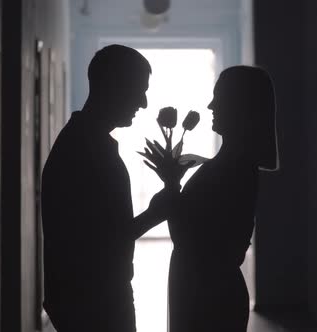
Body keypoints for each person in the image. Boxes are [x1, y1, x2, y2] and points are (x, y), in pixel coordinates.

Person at [41, 45, 171, 332]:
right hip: (93, 300)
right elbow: (103, 240)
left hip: (86, 296)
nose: (144, 102)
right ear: (114, 85)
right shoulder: (86, 149)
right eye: (139, 89)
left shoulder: (83, 140)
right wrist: (156, 213)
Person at [166, 66, 279, 332]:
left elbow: (187, 236)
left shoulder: (234, 169)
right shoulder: (231, 165)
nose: (210, 105)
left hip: (208, 297)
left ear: (241, 106)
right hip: (206, 290)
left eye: (220, 97)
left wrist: (171, 185)